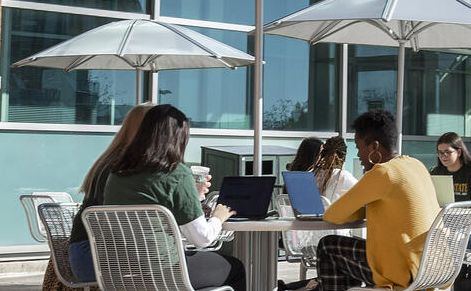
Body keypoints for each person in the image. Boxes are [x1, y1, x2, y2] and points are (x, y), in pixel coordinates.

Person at [69, 104, 246, 290]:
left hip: (115, 270)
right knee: (235, 269)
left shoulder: (116, 173)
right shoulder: (177, 173)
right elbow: (201, 239)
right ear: (180, 138)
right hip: (162, 271)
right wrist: (218, 217)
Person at [284, 109, 439, 291]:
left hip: (403, 273)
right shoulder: (416, 165)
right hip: (431, 268)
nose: (358, 155)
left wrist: (361, 209)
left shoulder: (382, 172)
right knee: (344, 252)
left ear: (374, 147)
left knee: (328, 246)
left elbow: (334, 214)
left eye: (359, 147)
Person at [51, 103, 153, 291]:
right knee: (172, 266)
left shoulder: (111, 160)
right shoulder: (124, 167)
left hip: (87, 253)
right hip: (97, 258)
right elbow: (131, 224)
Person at [431, 132, 471, 251]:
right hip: (444, 228)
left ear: (459, 152)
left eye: (448, 152)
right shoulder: (436, 173)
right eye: (440, 152)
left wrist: (461, 228)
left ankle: (455, 269)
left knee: (448, 240)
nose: (443, 156)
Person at [311, 136, 358, 203]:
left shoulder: (312, 173)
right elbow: (363, 194)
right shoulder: (343, 176)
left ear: (323, 153)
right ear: (343, 158)